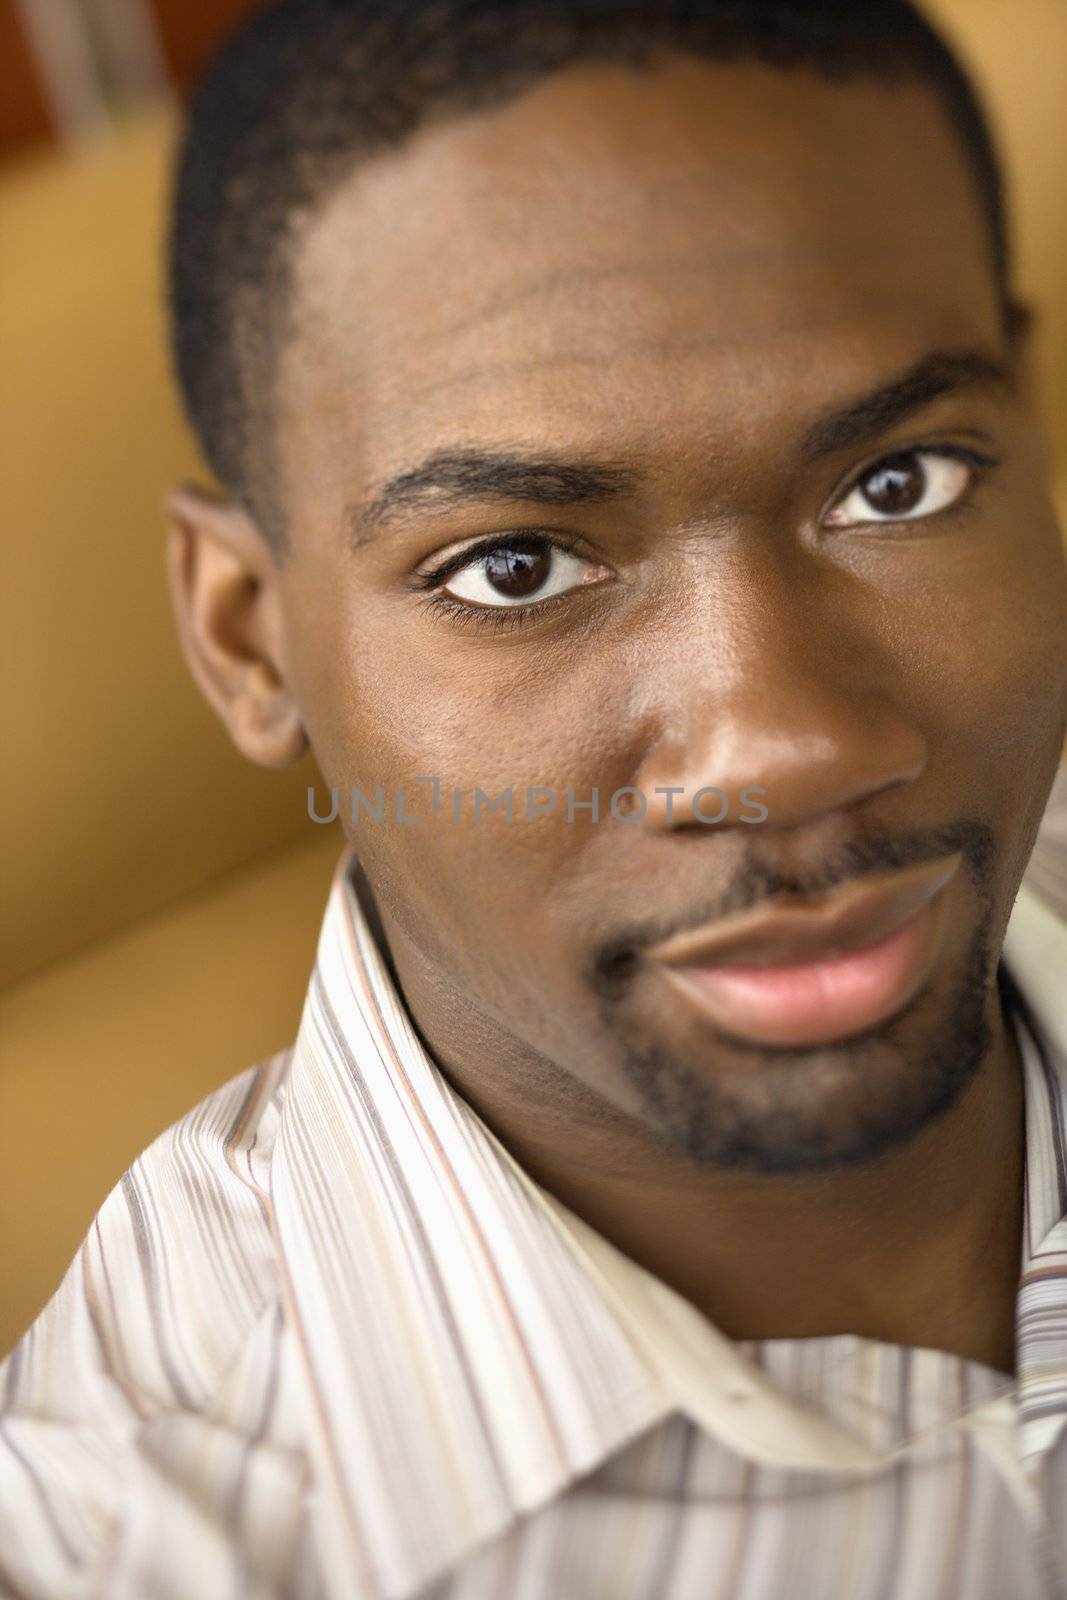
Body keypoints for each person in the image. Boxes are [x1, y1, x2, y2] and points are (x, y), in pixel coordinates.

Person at [3, 0, 1067, 1594]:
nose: (780, 745)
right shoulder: (135, 1545)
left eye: (896, 483)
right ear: (246, 636)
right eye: (517, 568)